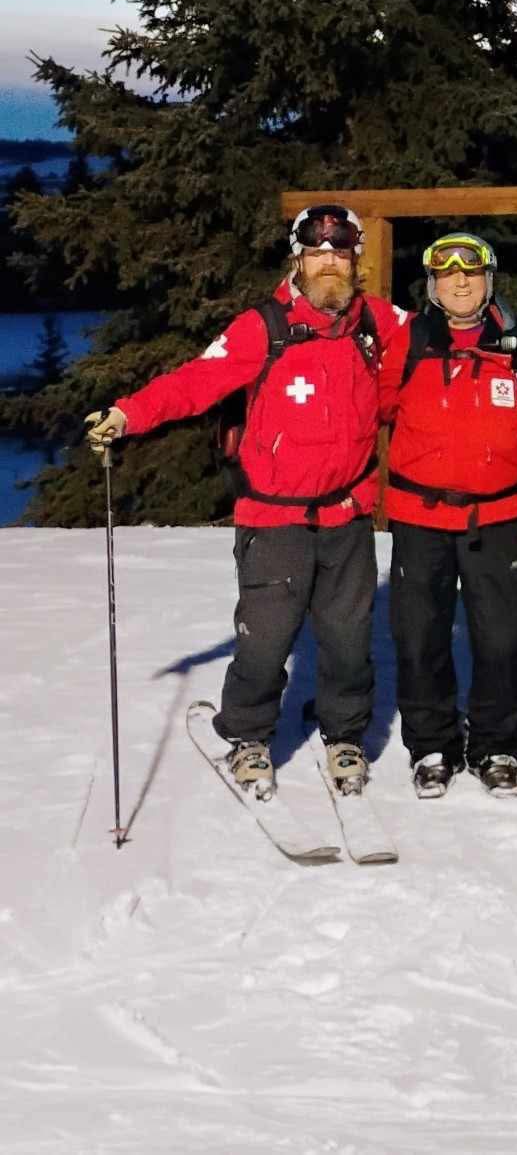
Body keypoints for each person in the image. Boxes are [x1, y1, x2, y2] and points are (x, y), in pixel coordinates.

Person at [84, 203, 408, 797]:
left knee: (348, 642)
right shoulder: (262, 327)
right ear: (298, 259)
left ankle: (344, 734)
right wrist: (128, 414)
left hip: (347, 514)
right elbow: (194, 382)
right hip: (274, 517)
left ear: (355, 260)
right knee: (265, 640)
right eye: (317, 253)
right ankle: (249, 735)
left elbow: (442, 332)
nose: (329, 263)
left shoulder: (377, 322)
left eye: (340, 253)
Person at [381, 231, 517, 799]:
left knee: (503, 636)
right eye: (447, 274)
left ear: (488, 280)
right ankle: (432, 744)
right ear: (432, 286)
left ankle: (496, 743)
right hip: (420, 515)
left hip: (496, 518)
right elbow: (372, 407)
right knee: (419, 635)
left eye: (471, 273)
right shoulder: (408, 342)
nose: (459, 282)